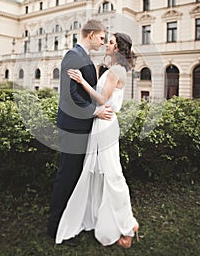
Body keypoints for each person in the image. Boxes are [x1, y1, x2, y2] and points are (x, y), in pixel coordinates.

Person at [55, 32, 139, 249]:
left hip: (105, 122)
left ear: (118, 48)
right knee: (97, 172)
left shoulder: (116, 70)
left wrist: (82, 81)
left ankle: (128, 226)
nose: (106, 45)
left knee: (112, 174)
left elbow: (102, 99)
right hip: (101, 122)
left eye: (110, 42)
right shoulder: (113, 69)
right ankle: (97, 218)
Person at [47, 19, 113, 245]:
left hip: (81, 127)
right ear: (92, 34)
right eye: (102, 38)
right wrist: (95, 112)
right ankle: (55, 227)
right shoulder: (73, 56)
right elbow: (70, 96)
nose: (103, 43)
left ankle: (70, 221)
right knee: (67, 176)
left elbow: (85, 92)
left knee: (74, 176)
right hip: (73, 128)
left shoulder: (84, 57)